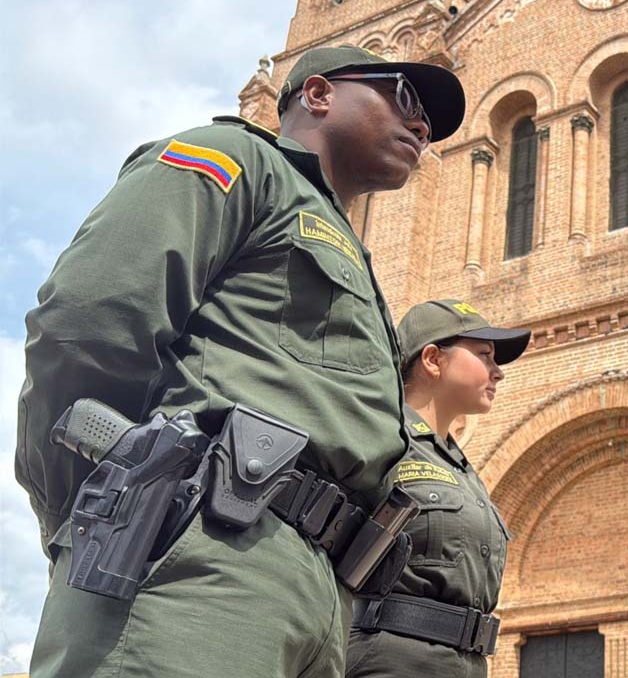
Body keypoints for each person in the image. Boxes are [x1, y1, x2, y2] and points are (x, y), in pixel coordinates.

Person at [16, 45, 467, 677]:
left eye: (428, 121)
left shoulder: (345, 241)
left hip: (314, 593)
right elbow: (88, 326)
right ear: (318, 94)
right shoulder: (236, 158)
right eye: (405, 97)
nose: (421, 126)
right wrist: (96, 513)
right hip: (201, 554)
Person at [345, 299, 530, 678]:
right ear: (433, 359)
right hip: (389, 662)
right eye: (484, 355)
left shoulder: (461, 469)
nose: (498, 373)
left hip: (465, 664)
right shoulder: (379, 439)